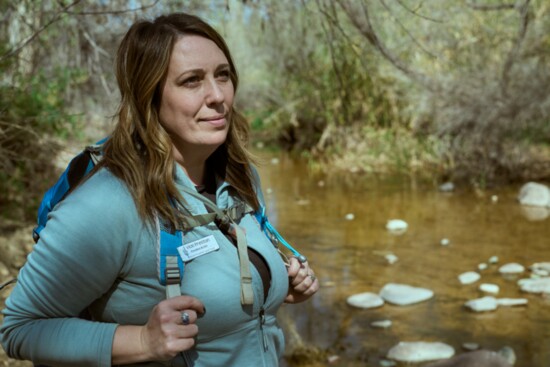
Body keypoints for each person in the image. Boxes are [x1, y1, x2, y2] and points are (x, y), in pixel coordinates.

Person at [0, 12, 319, 366]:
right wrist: (142, 340)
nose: (217, 95)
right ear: (149, 95)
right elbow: (21, 328)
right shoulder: (108, 204)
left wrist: (274, 282)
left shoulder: (240, 177)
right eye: (191, 81)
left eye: (223, 75)